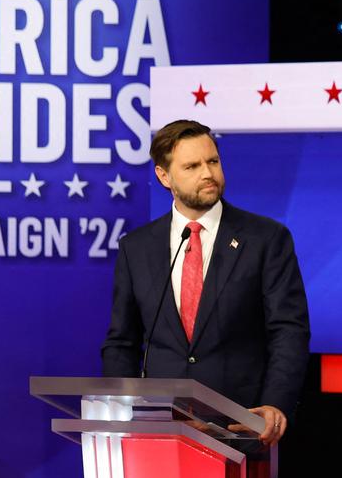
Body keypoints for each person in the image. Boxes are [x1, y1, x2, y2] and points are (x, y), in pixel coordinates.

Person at [102, 119, 310, 445]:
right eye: (192, 166)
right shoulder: (137, 248)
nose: (208, 174)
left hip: (243, 427)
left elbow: (288, 330)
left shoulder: (266, 239)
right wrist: (119, 409)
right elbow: (121, 342)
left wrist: (275, 403)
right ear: (164, 176)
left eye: (213, 161)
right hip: (158, 431)